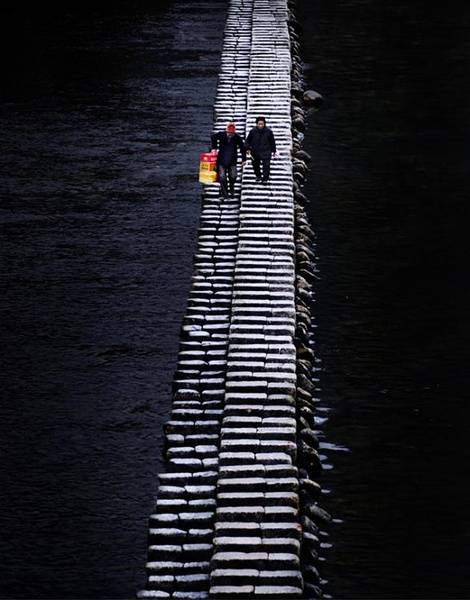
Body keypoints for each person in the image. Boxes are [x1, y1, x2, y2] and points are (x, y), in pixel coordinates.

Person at [211, 122, 246, 198]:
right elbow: (213, 137)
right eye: (229, 133)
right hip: (221, 160)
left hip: (232, 160)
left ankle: (231, 187)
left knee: (233, 176)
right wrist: (214, 148)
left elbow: (242, 148)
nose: (230, 134)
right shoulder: (221, 134)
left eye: (232, 133)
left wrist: (244, 159)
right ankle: (225, 193)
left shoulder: (237, 137)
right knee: (222, 177)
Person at [245, 116, 277, 183]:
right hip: (255, 152)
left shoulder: (269, 131)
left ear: (264, 124)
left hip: (266, 151)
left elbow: (272, 141)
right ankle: (258, 176)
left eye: (262, 124)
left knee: (266, 166)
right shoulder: (252, 131)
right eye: (259, 124)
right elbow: (248, 141)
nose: (260, 125)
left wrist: (273, 150)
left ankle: (265, 179)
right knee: (255, 165)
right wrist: (247, 148)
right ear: (257, 124)